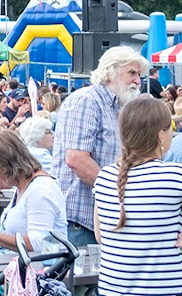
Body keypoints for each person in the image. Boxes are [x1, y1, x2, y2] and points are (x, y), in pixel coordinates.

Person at [56, 46, 146, 247]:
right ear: (109, 72)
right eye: (132, 73)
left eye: (139, 74)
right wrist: (117, 195)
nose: (138, 81)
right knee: (83, 279)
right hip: (79, 222)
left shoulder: (118, 106)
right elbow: (76, 159)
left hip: (102, 218)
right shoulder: (86, 100)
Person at [94, 97, 182, 296]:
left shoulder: (104, 176)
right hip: (164, 289)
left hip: (111, 288)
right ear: (161, 136)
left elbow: (100, 236)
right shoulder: (176, 176)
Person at [0, 130, 66, 255]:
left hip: (36, 271)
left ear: (4, 167)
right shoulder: (23, 186)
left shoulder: (41, 190)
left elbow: (37, 243)